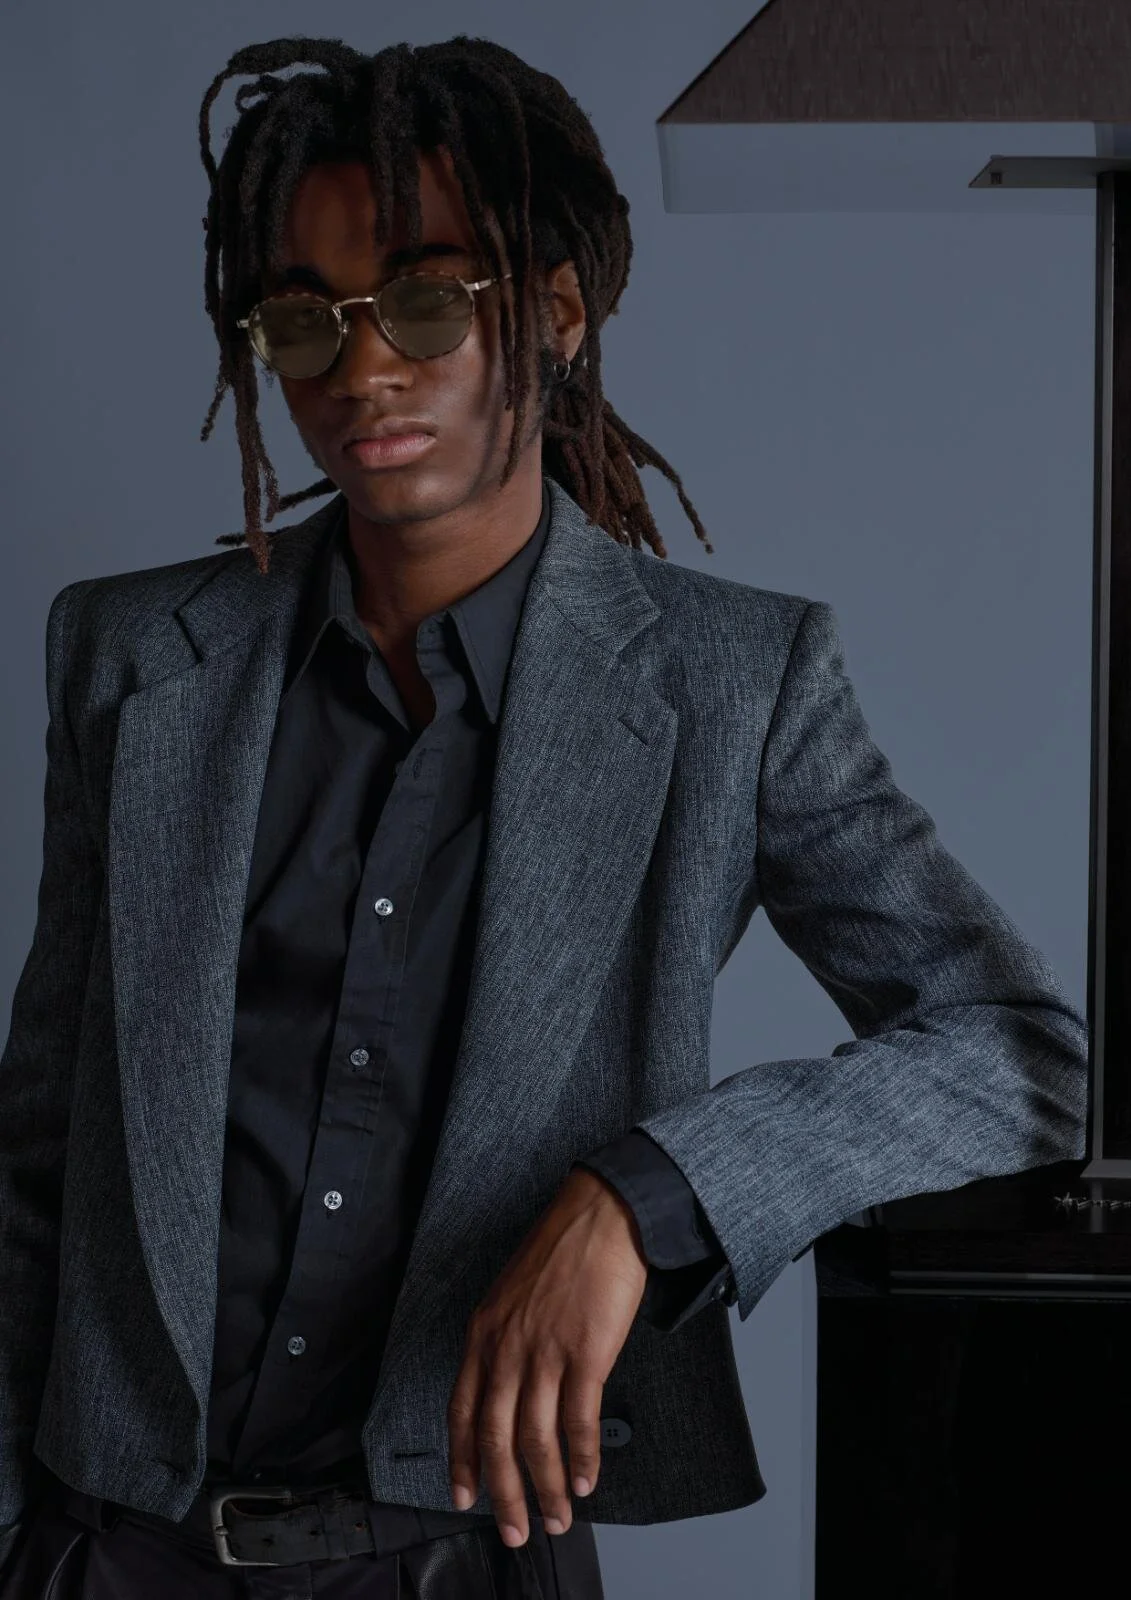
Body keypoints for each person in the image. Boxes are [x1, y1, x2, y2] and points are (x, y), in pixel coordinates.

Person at [0, 31, 1088, 1600]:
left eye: (426, 302)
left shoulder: (730, 686)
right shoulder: (130, 660)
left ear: (557, 314)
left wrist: (650, 1196)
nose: (362, 370)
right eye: (304, 319)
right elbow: (40, 1138)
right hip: (104, 1554)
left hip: (462, 1560)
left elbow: (1018, 1055)